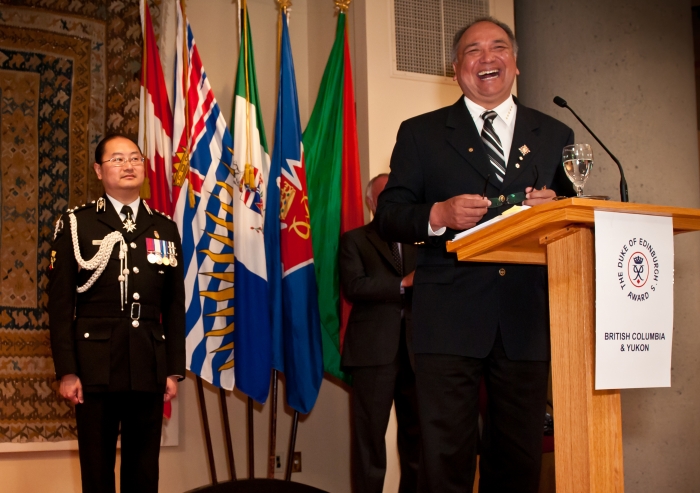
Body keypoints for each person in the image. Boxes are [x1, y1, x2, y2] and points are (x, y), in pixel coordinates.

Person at [375, 17, 576, 493]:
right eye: (473, 50)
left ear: (516, 64)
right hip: (448, 317)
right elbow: (389, 216)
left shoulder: (554, 133)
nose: (487, 58)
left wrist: (557, 210)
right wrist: (438, 213)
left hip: (526, 317)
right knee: (445, 459)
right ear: (455, 68)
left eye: (499, 48)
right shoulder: (421, 133)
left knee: (520, 458)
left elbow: (575, 214)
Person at [48, 134, 185, 493]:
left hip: (148, 362)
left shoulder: (164, 227)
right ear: (98, 170)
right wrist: (67, 370)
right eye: (117, 159)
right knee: (97, 471)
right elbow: (61, 305)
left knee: (144, 472)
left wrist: (172, 370)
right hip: (94, 364)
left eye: (135, 158)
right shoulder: (77, 224)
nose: (128, 165)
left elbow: (173, 304)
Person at [340, 173, 421, 493]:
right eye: (384, 196)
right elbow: (354, 286)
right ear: (371, 202)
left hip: (417, 354)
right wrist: (403, 284)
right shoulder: (355, 239)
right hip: (373, 355)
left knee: (417, 443)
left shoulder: (421, 243)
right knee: (369, 443)